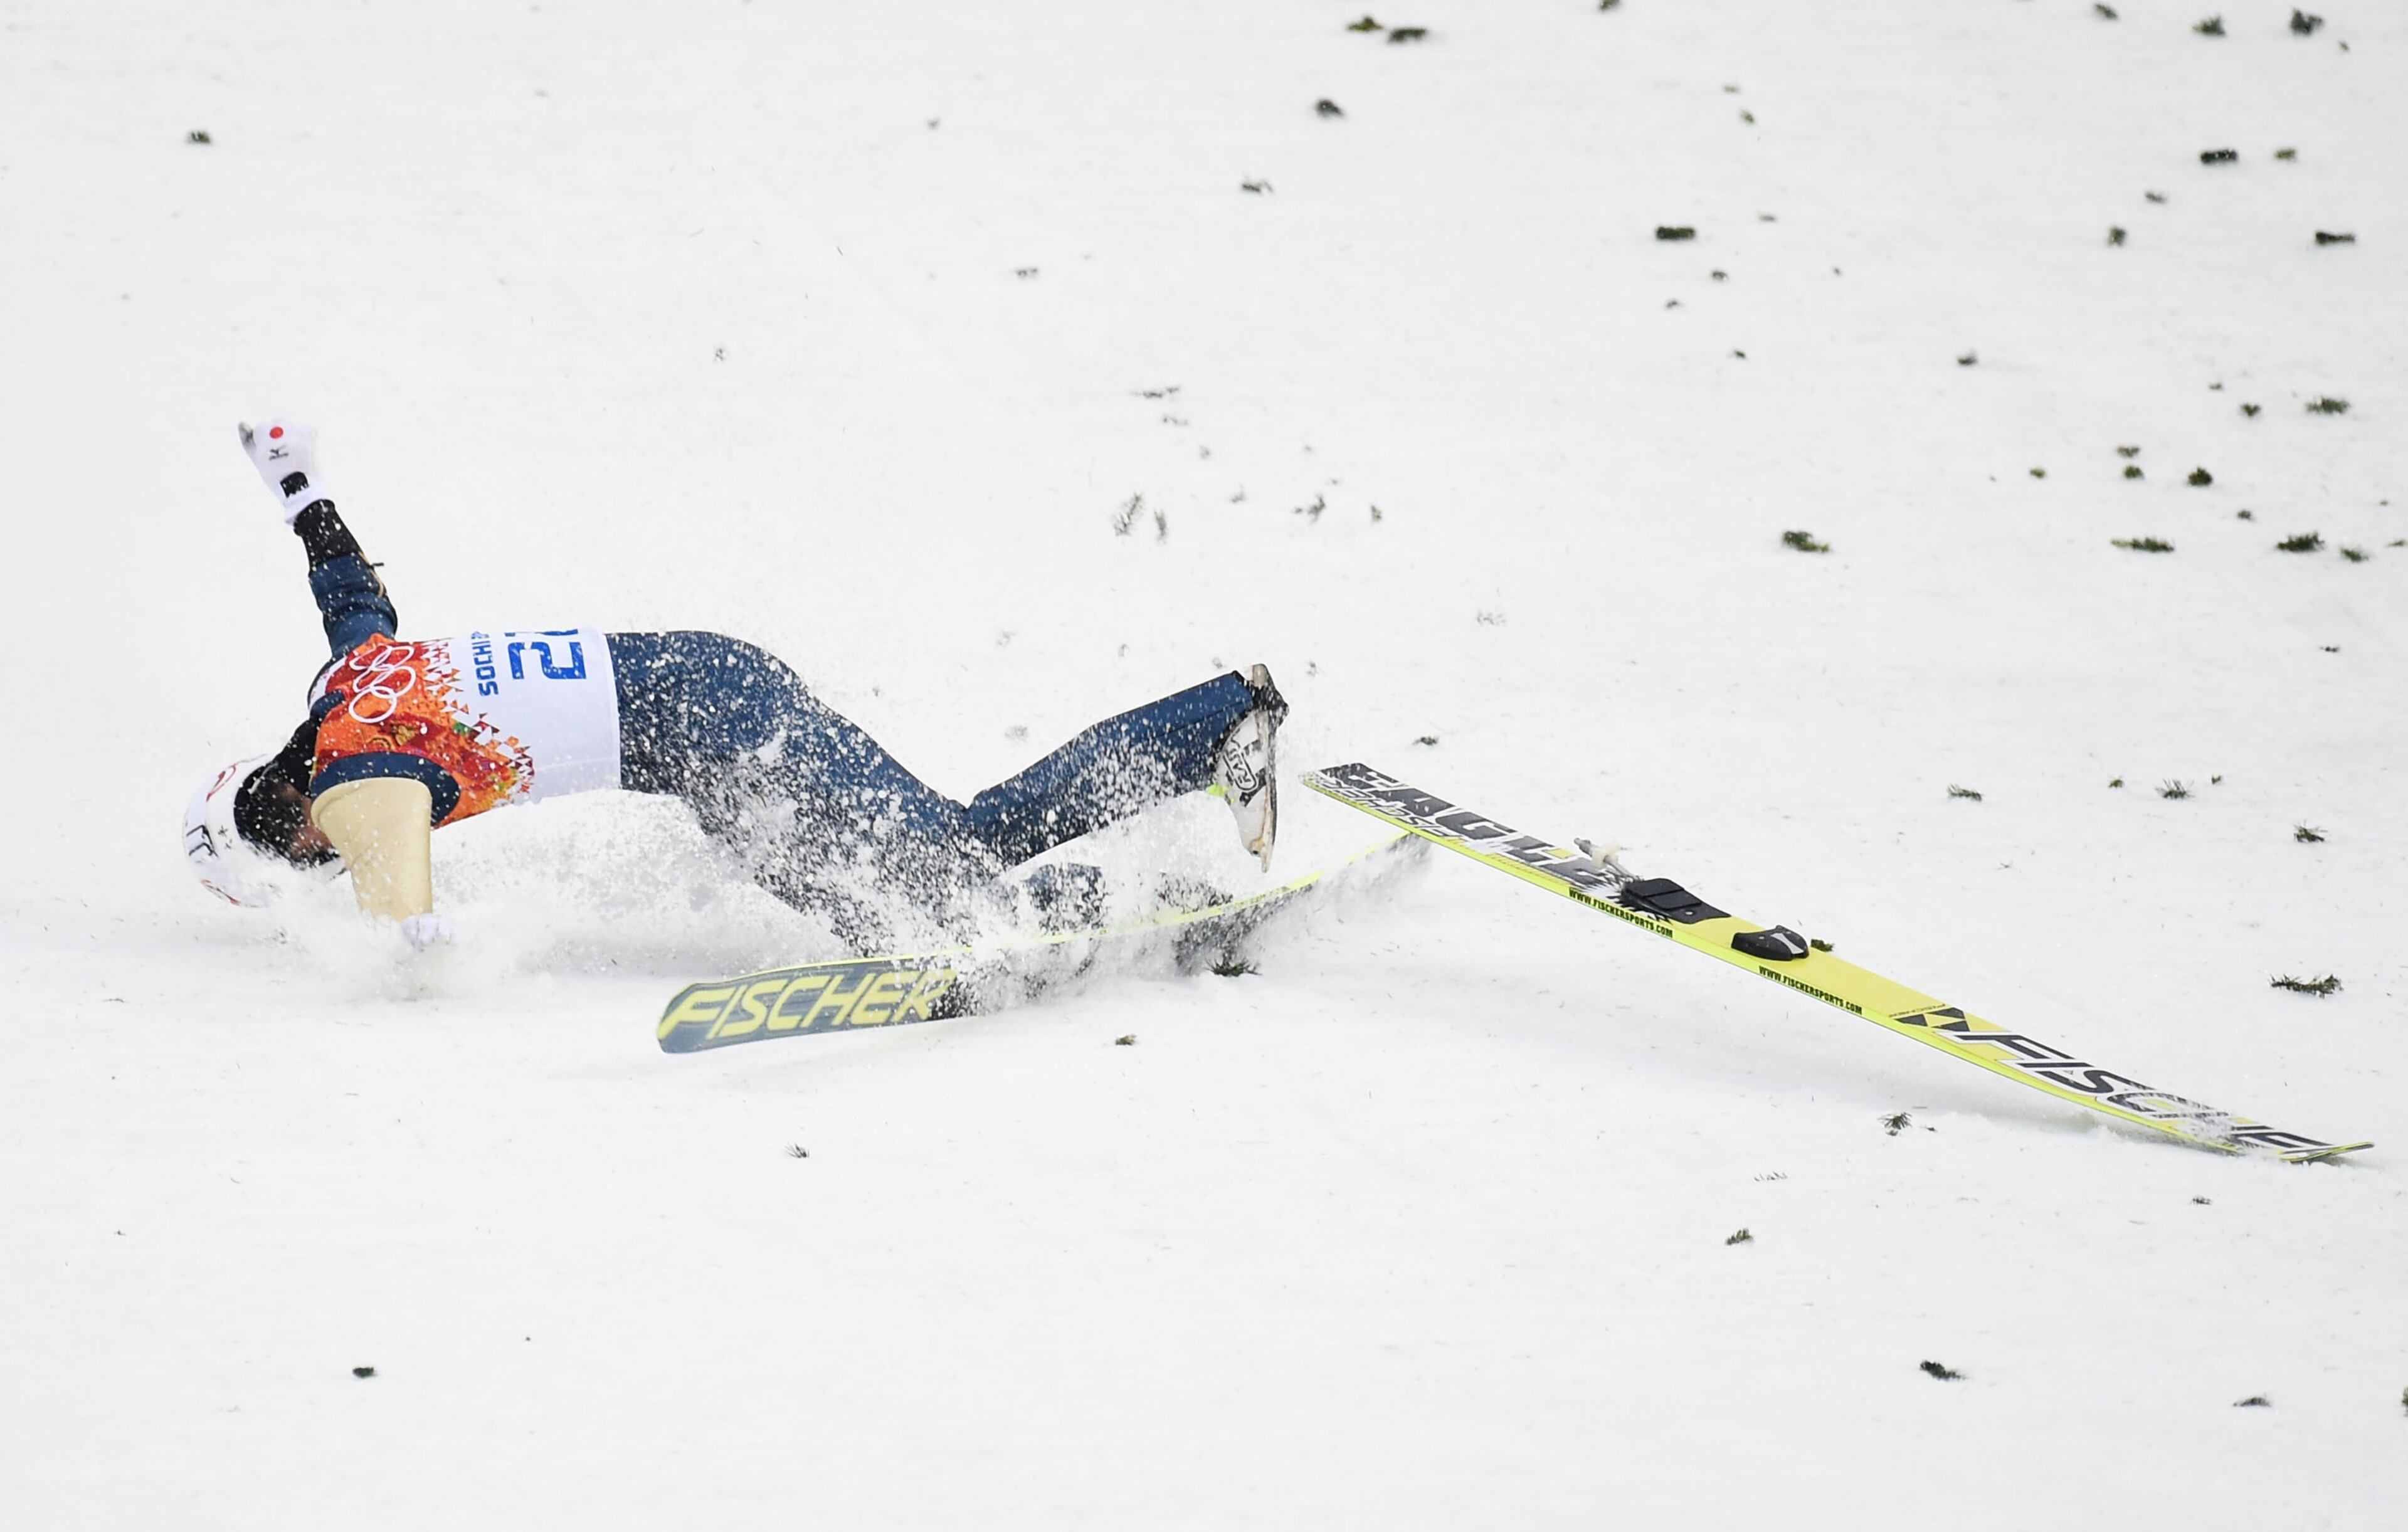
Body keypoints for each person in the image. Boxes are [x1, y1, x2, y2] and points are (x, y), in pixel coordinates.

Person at [184, 420, 1287, 949]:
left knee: (946, 852)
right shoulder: (349, 683)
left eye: (301, 868)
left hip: (714, 723)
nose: (323, 868)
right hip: (700, 714)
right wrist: (295, 481)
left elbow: (401, 914)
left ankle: (1215, 726)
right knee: (874, 902)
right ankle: (1120, 908)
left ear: (287, 828)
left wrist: (409, 954)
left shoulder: (356, 783)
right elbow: (344, 582)